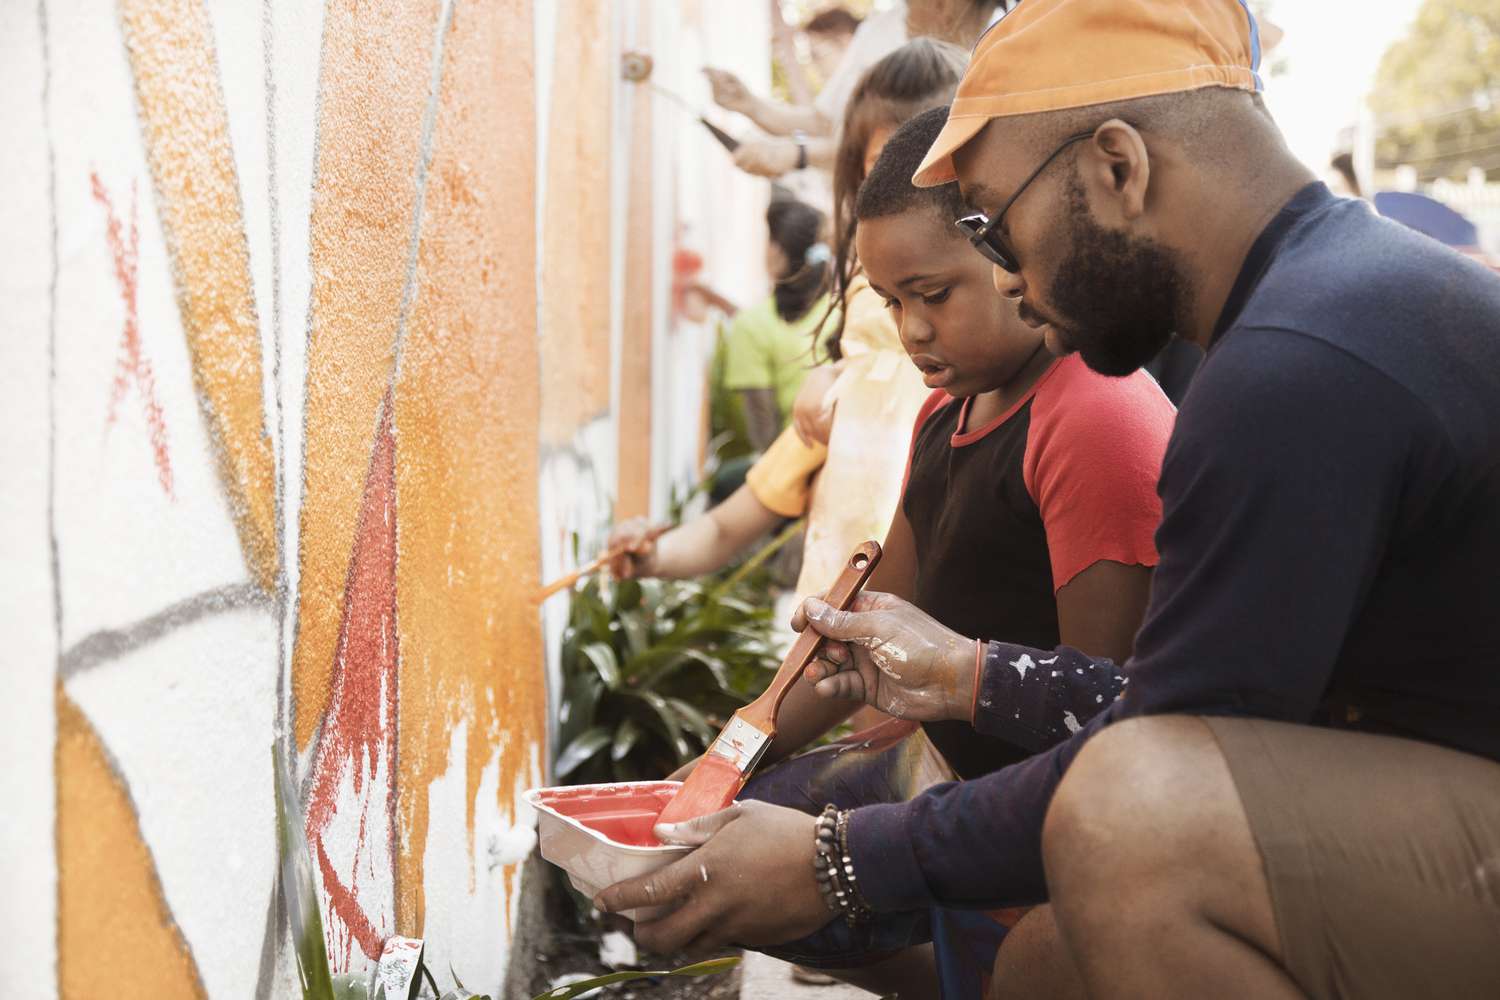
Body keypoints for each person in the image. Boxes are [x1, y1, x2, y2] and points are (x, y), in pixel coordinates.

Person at [596, 3, 1500, 998]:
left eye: (990, 219)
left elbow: (1165, 758)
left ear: (1118, 168)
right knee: (1046, 961)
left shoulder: (1294, 362)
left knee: (1132, 815)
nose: (1013, 276)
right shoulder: (1322, 304)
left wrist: (838, 858)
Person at [611, 40, 967, 607]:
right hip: (835, 676)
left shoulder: (990, 407)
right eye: (882, 173)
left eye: (935, 172)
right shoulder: (848, 391)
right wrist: (651, 555)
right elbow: (729, 525)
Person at [708, 2, 1008, 179]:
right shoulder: (881, 28)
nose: (906, 9)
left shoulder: (999, 54)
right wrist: (750, 105)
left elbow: (897, 153)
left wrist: (799, 154)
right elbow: (825, 120)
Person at [710, 198, 834, 454]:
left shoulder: (752, 326)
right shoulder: (846, 308)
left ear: (778, 252)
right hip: (848, 456)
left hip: (797, 459)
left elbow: (763, 431)